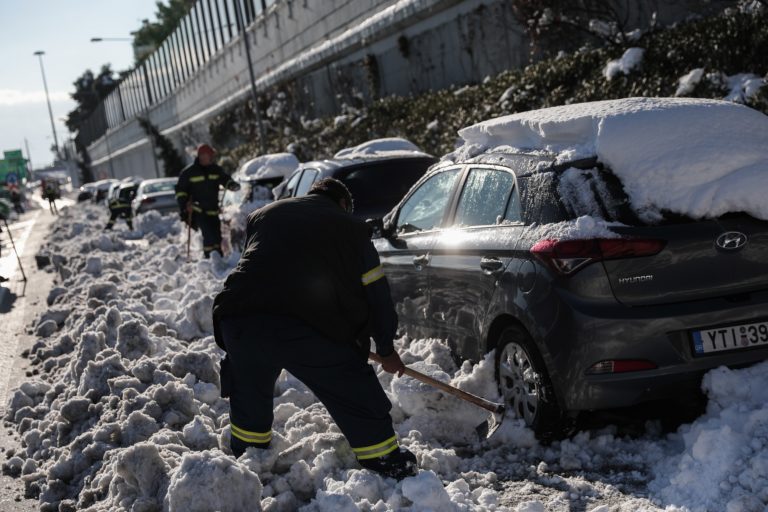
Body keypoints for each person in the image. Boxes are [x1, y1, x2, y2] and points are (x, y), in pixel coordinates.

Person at [212, 177, 418, 480]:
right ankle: (384, 458)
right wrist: (386, 349)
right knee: (351, 382)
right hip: (303, 325)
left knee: (248, 385)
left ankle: (248, 461)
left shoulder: (264, 215)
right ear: (343, 204)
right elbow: (377, 296)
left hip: (238, 318)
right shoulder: (352, 229)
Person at [175, 144, 240, 258]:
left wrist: (232, 185)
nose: (209, 158)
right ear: (201, 156)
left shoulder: (215, 170)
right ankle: (210, 259)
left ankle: (218, 260)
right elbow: (180, 191)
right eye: (206, 156)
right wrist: (185, 205)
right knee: (209, 236)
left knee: (217, 237)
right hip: (198, 210)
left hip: (213, 210)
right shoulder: (189, 173)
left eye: (210, 156)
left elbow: (225, 179)